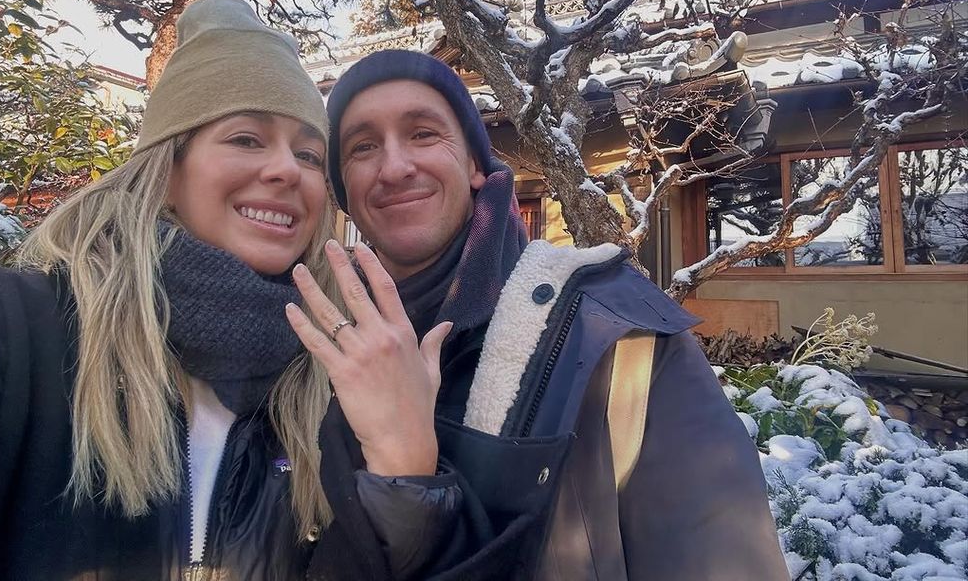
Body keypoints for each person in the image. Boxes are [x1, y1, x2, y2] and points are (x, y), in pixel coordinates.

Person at [0, 0, 462, 581]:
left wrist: (405, 470)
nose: (287, 170)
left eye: (309, 154)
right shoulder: (7, 328)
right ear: (167, 171)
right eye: (246, 138)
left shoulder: (326, 388)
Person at [321, 49, 791, 580]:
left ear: (476, 164)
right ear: (343, 193)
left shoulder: (615, 336)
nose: (395, 166)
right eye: (362, 147)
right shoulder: (316, 355)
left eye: (424, 133)